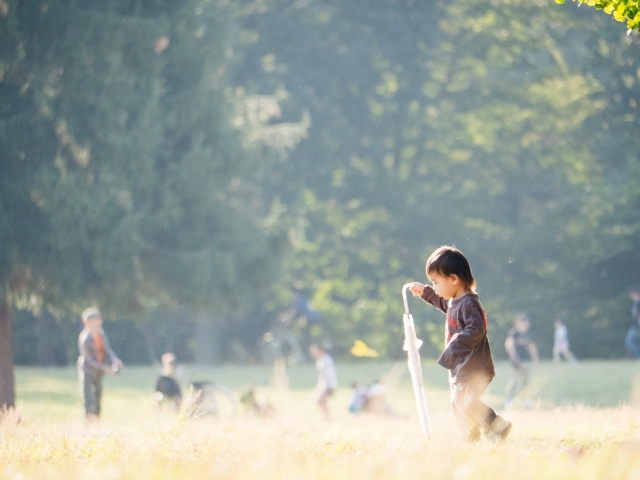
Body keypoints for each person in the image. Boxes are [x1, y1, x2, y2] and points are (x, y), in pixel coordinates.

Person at [409, 246, 511, 443]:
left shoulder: (469, 303)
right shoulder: (454, 301)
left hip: (473, 365)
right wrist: (425, 292)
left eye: (436, 282)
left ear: (454, 279)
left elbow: (476, 330)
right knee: (458, 404)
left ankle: (497, 425)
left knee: (465, 401)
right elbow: (442, 303)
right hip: (460, 365)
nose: (435, 287)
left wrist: (454, 346)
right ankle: (469, 438)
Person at [77, 307, 122, 422]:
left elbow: (107, 350)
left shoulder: (101, 334)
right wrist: (107, 369)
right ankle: (88, 421)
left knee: (98, 397)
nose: (97, 323)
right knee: (88, 397)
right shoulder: (85, 339)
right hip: (88, 371)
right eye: (93, 321)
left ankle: (97, 421)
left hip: (99, 371)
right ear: (87, 323)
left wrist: (114, 360)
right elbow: (90, 361)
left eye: (98, 320)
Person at [504, 313, 539, 408]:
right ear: (517, 323)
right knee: (514, 381)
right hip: (516, 361)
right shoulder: (514, 333)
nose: (524, 325)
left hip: (526, 360)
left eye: (526, 323)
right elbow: (509, 343)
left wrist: (535, 359)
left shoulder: (529, 334)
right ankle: (509, 400)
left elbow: (532, 347)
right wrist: (513, 354)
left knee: (525, 381)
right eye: (522, 323)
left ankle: (524, 399)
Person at [309, 343, 337, 420]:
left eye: (315, 351)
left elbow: (329, 375)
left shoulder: (326, 360)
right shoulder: (321, 360)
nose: (313, 353)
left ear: (321, 351)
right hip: (323, 385)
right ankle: (327, 417)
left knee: (320, 401)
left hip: (327, 385)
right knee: (321, 401)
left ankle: (328, 417)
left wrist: (325, 386)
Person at [625, 289, 640, 359]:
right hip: (634, 326)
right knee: (633, 341)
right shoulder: (635, 302)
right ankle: (636, 356)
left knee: (629, 341)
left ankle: (637, 356)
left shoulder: (638, 303)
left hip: (636, 327)